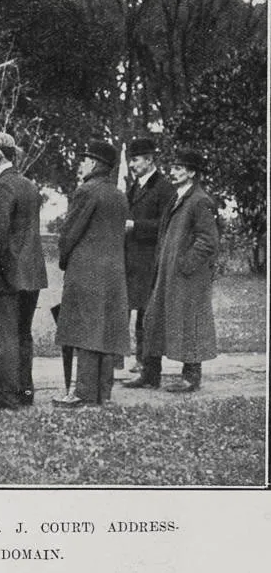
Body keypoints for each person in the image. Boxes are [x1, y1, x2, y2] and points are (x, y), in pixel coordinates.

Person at [53, 141, 130, 408]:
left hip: (86, 270)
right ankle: (103, 392)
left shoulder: (86, 191)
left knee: (84, 331)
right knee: (106, 330)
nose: (81, 164)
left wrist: (65, 260)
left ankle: (84, 392)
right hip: (113, 271)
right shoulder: (119, 195)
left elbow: (70, 232)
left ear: (96, 164)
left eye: (85, 160)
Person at [0, 132, 48, 410]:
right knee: (23, 334)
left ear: (1, 154)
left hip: (7, 274)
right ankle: (25, 391)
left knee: (5, 335)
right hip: (31, 273)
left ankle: (7, 395)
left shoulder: (1, 188)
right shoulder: (28, 185)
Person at [142, 151, 219, 393]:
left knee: (190, 323)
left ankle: (191, 377)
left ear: (192, 173)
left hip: (188, 278)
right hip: (168, 274)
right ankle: (150, 375)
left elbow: (208, 241)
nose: (172, 171)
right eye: (172, 167)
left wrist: (185, 265)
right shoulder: (179, 197)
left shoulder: (199, 200)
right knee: (154, 319)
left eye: (179, 168)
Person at [121, 137, 176, 387]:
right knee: (141, 315)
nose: (132, 165)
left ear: (150, 160)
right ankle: (144, 364)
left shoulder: (164, 188)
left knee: (149, 316)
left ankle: (150, 371)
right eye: (130, 160)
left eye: (136, 160)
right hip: (134, 261)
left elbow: (167, 226)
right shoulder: (135, 186)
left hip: (152, 261)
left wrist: (136, 225)